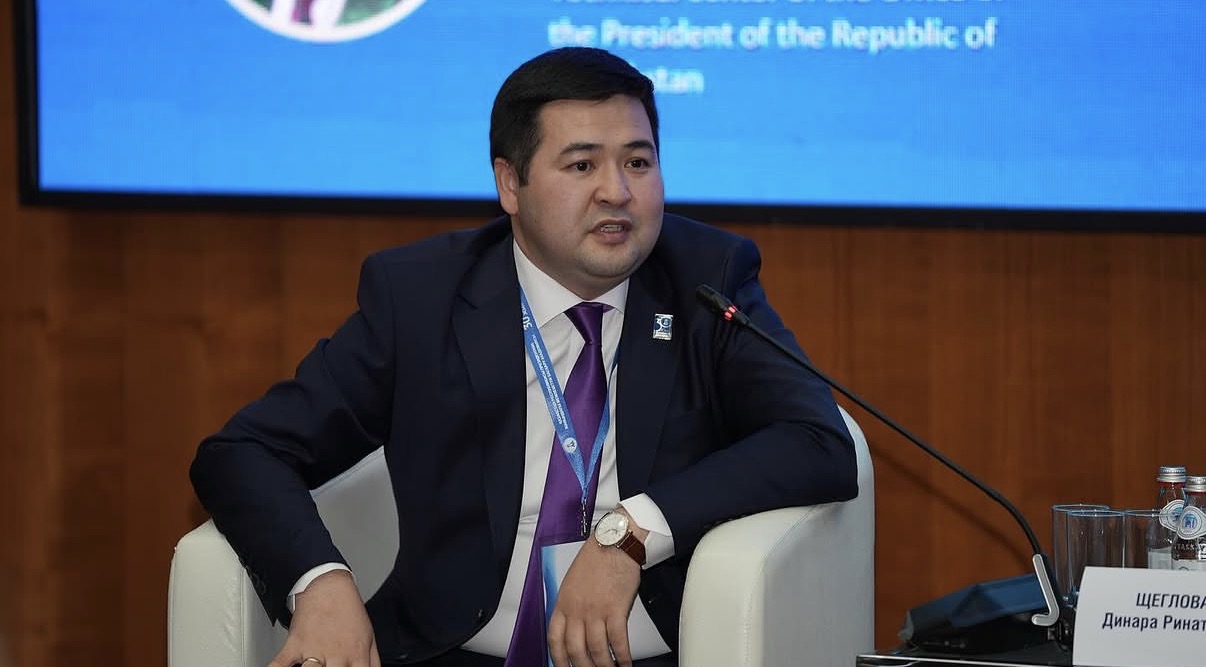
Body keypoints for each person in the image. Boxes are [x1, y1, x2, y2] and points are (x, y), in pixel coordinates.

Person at [190, 46, 857, 667]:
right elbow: (243, 450)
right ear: (510, 184)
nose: (617, 192)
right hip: (452, 649)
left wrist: (633, 531)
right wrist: (320, 581)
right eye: (582, 165)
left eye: (638, 162)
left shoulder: (708, 280)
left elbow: (817, 441)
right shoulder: (421, 296)